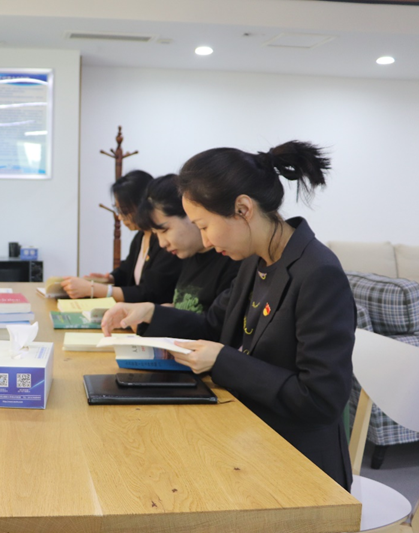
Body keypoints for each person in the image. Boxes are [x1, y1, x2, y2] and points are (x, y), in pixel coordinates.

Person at [101, 141, 355, 490]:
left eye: (204, 226)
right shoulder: (253, 260)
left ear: (242, 209)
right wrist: (149, 313)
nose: (205, 241)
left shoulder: (317, 272)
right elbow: (213, 325)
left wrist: (223, 361)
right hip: (249, 436)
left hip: (298, 462)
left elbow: (320, 399)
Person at [62, 170, 183, 303]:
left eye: (124, 211)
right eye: (118, 210)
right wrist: (110, 279)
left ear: (142, 205)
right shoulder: (140, 237)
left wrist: (93, 289)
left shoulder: (167, 244)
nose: (120, 217)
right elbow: (126, 270)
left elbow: (149, 292)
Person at [134, 173, 239, 314]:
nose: (162, 243)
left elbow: (215, 323)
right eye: (156, 234)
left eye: (164, 230)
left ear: (189, 213)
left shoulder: (231, 260)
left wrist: (158, 314)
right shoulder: (187, 256)